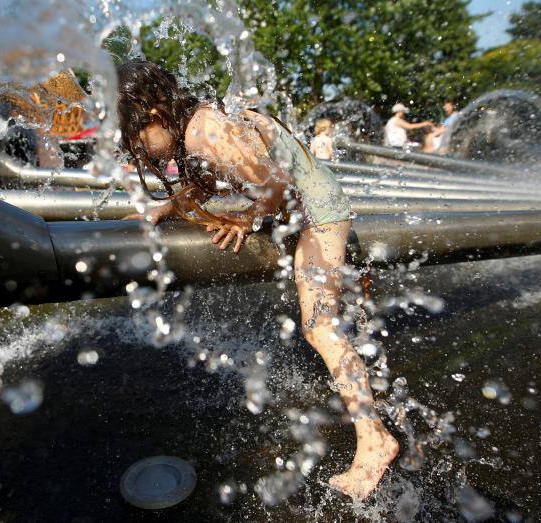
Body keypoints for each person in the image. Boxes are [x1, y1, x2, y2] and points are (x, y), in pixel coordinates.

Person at [117, 60, 399, 500]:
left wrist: (247, 218)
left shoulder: (202, 131)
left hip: (317, 208)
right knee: (332, 315)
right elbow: (209, 181)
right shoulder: (197, 125)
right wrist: (165, 209)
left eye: (137, 138)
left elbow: (281, 185)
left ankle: (375, 438)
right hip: (305, 206)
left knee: (320, 326)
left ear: (152, 111)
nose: (141, 151)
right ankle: (356, 292)